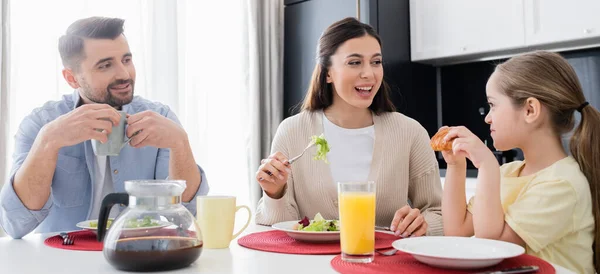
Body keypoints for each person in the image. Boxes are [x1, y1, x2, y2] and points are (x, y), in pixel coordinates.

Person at [0, 17, 209, 239]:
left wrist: (181, 143)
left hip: (137, 254)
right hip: (63, 259)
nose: (124, 74)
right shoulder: (41, 124)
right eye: (105, 65)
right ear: (72, 78)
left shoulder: (159, 118)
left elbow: (188, 216)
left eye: (126, 60)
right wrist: (48, 141)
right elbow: (15, 224)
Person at [254, 17, 444, 237]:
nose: (369, 74)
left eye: (376, 62)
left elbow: (438, 212)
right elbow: (281, 229)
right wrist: (275, 193)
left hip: (383, 266)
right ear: (327, 73)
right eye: (355, 62)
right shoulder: (292, 132)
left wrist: (423, 225)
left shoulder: (409, 133)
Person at [441, 51, 599, 274]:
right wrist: (456, 165)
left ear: (530, 110)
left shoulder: (562, 184)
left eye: (493, 105)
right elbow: (456, 231)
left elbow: (494, 249)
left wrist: (487, 165)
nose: (487, 117)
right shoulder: (509, 173)